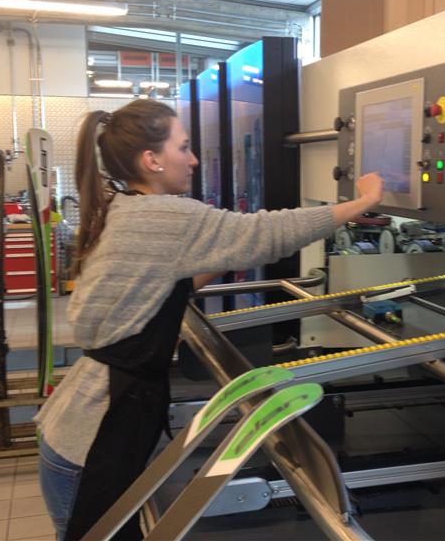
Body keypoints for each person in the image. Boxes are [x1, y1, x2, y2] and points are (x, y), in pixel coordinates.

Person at [34, 99, 384, 540]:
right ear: (152, 160)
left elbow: (156, 282)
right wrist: (363, 201)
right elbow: (269, 233)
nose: (195, 159)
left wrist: (223, 253)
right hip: (93, 436)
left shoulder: (127, 207)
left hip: (83, 426)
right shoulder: (165, 215)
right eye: (184, 147)